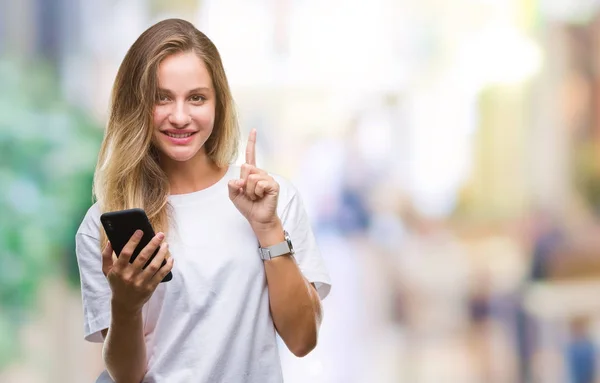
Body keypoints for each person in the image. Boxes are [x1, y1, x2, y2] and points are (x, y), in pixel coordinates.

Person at [75, 18, 331, 383]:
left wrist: (268, 229)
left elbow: (303, 340)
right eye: (161, 98)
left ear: (218, 103)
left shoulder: (273, 200)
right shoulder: (104, 223)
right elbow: (127, 376)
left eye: (196, 98)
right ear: (136, 104)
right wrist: (126, 306)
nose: (180, 117)